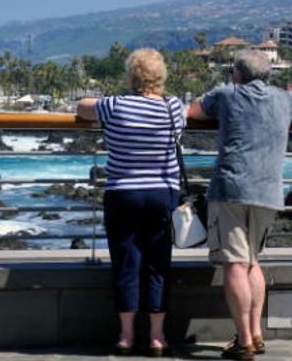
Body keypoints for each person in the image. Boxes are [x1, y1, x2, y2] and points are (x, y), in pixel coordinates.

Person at [187, 50, 292, 360]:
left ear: (237, 75)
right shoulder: (284, 99)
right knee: (252, 262)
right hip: (268, 191)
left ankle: (244, 341)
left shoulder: (226, 94)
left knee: (234, 264)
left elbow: (192, 111)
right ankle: (256, 334)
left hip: (231, 189)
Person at [76, 48, 184, 357]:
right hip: (162, 193)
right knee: (158, 263)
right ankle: (157, 336)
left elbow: (82, 107)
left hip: (123, 193)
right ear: (161, 76)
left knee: (125, 261)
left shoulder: (115, 105)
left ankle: (126, 335)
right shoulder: (173, 107)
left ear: (131, 76)